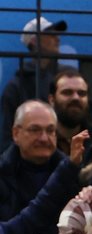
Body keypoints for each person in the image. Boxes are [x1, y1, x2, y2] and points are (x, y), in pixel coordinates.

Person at [0, 100, 75, 234]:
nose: (44, 138)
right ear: (16, 133)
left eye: (50, 131)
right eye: (35, 130)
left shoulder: (75, 174)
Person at [0, 16, 67, 151]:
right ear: (34, 41)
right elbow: (6, 136)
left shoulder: (68, 77)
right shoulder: (16, 86)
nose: (57, 38)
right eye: (50, 33)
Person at [48, 68, 92, 156]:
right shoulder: (41, 139)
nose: (76, 98)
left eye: (81, 93)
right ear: (52, 100)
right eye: (67, 92)